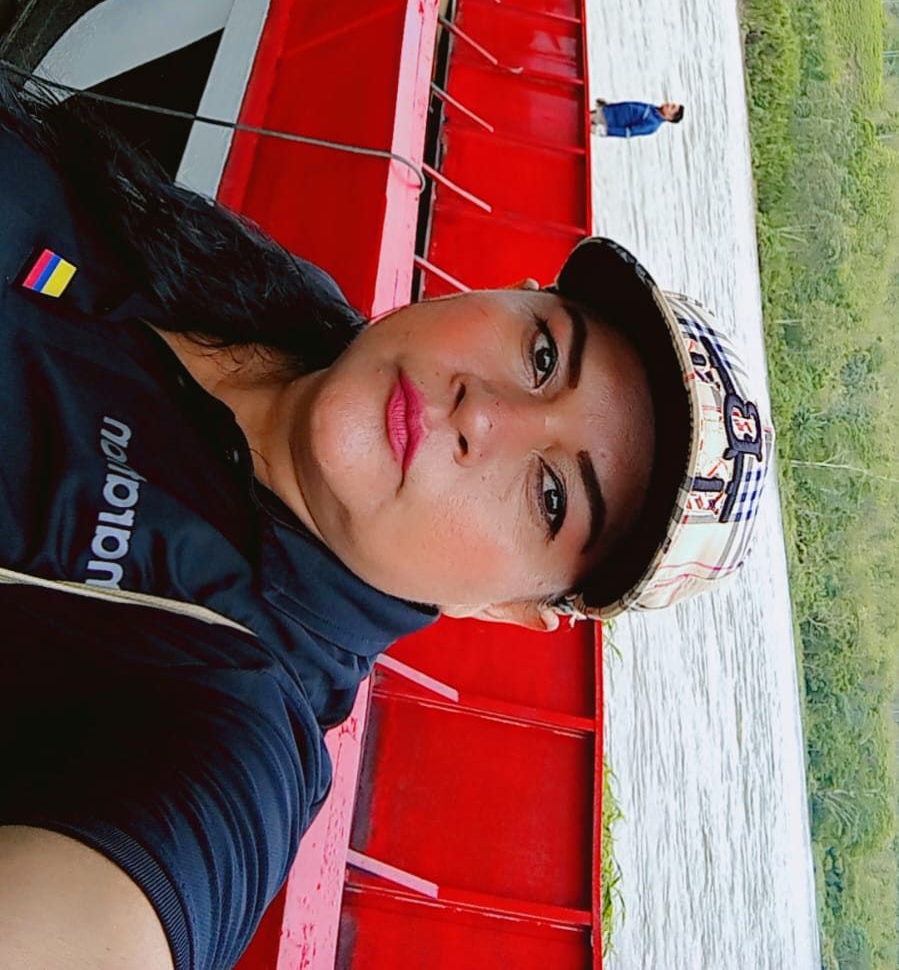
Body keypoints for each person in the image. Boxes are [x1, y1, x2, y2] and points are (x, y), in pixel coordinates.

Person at [0, 70, 769, 970]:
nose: (486, 414)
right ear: (508, 291)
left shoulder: (233, 726)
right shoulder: (246, 291)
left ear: (510, 608)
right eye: (541, 353)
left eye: (552, 495)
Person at [592, 99, 685, 138]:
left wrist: (606, 131)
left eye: (672, 107)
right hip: (606, 110)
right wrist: (609, 105)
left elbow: (629, 132)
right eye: (672, 104)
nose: (669, 104)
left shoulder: (652, 124)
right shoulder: (652, 108)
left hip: (607, 122)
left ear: (670, 118)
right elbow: (629, 105)